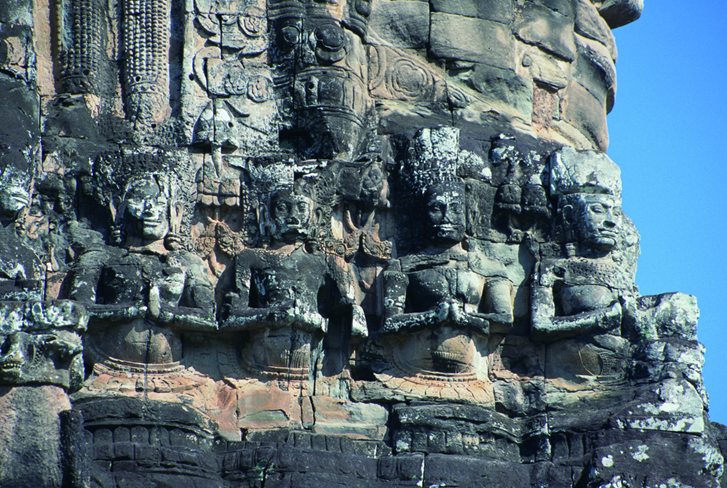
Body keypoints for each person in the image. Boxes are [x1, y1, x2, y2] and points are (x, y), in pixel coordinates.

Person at [68, 173, 216, 370]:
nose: (150, 210)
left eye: (159, 203)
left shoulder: (188, 261)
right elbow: (75, 309)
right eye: (139, 200)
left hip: (178, 370)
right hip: (106, 366)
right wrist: (128, 311)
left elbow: (208, 316)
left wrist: (165, 314)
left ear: (174, 212)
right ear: (118, 208)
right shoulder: (100, 256)